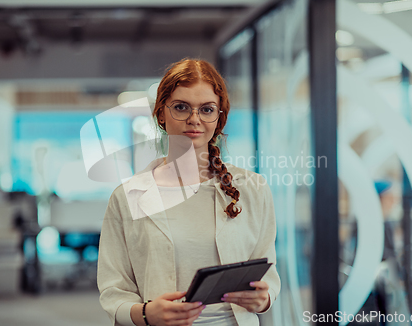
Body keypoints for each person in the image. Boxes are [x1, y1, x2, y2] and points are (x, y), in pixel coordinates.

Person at [97, 58, 281, 326]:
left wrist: (264, 298)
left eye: (207, 110)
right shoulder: (127, 197)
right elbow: (114, 291)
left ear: (219, 118)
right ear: (161, 114)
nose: (194, 119)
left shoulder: (253, 189)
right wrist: (147, 314)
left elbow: (268, 274)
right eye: (181, 107)